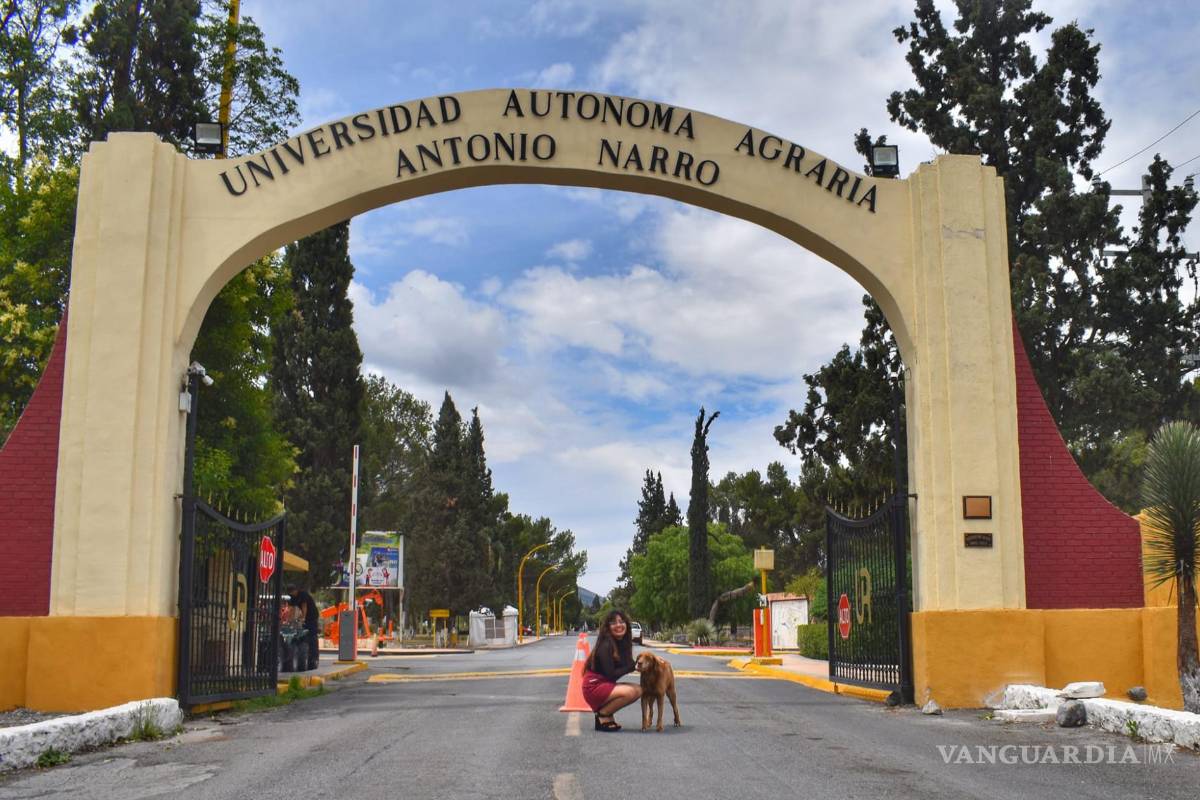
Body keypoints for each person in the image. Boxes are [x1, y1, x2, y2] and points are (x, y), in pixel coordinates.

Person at [581, 610, 642, 731]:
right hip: (593, 686)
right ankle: (603, 715)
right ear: (608, 627)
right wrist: (630, 667)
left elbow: (621, 669)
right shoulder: (606, 644)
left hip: (604, 684)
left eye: (621, 621)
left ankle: (606, 714)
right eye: (614, 623)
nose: (619, 625)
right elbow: (610, 675)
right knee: (631, 692)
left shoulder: (621, 643)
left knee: (638, 689)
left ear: (626, 624)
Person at [288, 585, 320, 671]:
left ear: (295, 590)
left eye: (292, 592)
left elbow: (304, 607)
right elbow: (291, 609)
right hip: (305, 617)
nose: (291, 594)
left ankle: (313, 660)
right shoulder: (293, 597)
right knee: (302, 637)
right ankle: (303, 659)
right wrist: (289, 620)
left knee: (312, 637)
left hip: (312, 616)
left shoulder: (303, 594)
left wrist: (303, 618)